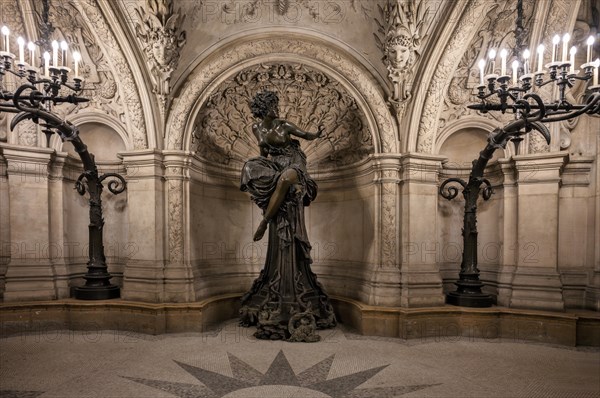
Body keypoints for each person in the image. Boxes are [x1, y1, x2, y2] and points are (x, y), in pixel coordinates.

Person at [239, 90, 336, 341]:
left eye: (276, 104)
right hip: (276, 166)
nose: (276, 108)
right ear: (265, 108)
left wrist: (319, 133)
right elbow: (262, 153)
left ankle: (263, 222)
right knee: (249, 166)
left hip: (295, 167)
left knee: (285, 180)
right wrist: (260, 168)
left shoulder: (285, 125)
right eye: (272, 105)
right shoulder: (257, 127)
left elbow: (307, 135)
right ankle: (270, 206)